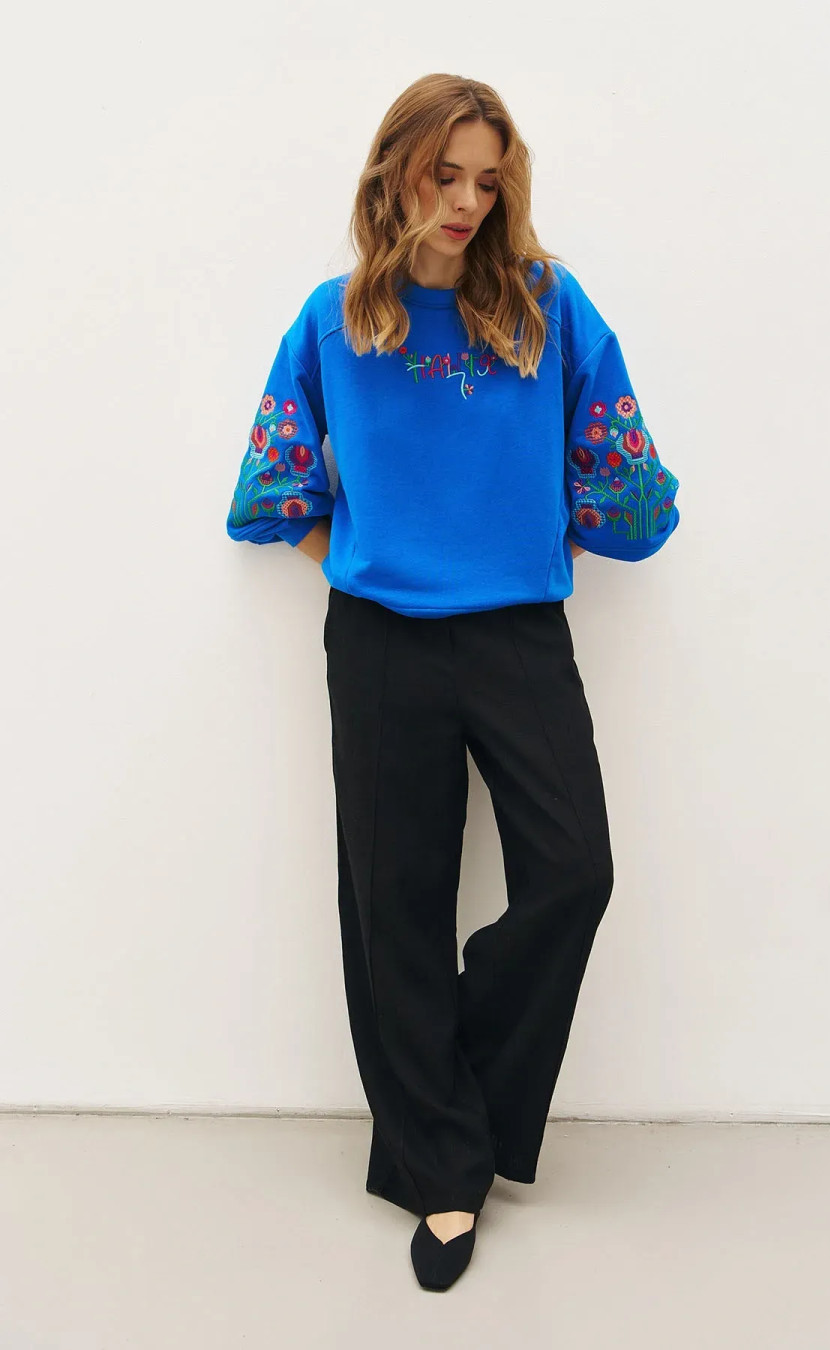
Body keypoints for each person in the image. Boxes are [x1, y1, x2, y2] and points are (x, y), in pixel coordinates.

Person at [226, 73, 681, 1291]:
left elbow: (629, 487)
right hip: (381, 642)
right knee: (396, 908)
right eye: (445, 174)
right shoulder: (336, 321)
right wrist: (364, 559)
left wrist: (532, 542)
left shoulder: (546, 304)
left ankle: (444, 1093)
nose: (467, 201)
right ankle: (440, 1177)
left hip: (520, 635)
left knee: (574, 871)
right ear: (395, 172)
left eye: (488, 179)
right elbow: (273, 493)